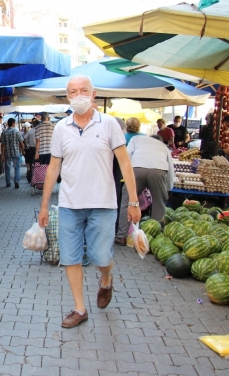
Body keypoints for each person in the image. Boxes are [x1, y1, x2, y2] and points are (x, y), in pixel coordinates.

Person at [38, 75, 141, 328]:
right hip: (70, 204)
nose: (79, 95)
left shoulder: (109, 124)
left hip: (103, 204)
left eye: (84, 90)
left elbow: (125, 162)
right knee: (70, 257)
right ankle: (79, 309)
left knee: (100, 257)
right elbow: (53, 168)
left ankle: (106, 280)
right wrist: (43, 205)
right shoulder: (61, 127)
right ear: (68, 97)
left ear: (93, 94)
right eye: (73, 91)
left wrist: (134, 201)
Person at [115, 135, 174, 245]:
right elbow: (170, 169)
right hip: (159, 170)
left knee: (127, 201)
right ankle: (155, 240)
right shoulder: (163, 146)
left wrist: (125, 175)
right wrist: (168, 187)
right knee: (159, 204)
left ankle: (121, 236)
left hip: (137, 168)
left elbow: (127, 155)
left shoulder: (136, 139)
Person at [0, 118, 25, 188]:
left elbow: (2, 145)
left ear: (8, 124)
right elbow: (21, 143)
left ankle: (8, 182)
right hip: (15, 152)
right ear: (13, 123)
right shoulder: (16, 132)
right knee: (17, 167)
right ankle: (16, 181)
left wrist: (2, 155)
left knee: (7, 168)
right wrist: (23, 151)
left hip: (7, 153)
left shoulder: (4, 132)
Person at [24, 118, 39, 183]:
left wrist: (26, 144)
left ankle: (31, 178)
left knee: (31, 164)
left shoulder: (30, 131)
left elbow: (24, 138)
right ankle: (38, 177)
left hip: (31, 149)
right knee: (38, 164)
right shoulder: (39, 131)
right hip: (38, 149)